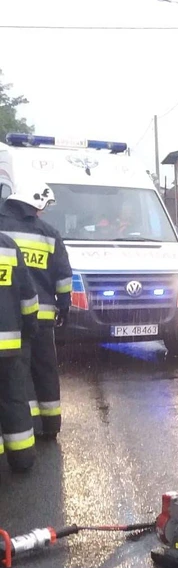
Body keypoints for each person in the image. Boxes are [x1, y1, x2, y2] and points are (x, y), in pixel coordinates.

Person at [0, 182, 72, 440]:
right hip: (42, 318)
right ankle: (50, 425)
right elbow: (63, 278)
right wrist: (64, 308)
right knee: (45, 370)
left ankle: (25, 427)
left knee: (16, 377)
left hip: (9, 319)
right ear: (35, 205)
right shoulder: (49, 234)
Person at [0, 231, 39, 477]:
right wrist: (28, 330)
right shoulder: (7, 245)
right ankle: (22, 458)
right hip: (10, 345)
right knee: (14, 400)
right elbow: (29, 297)